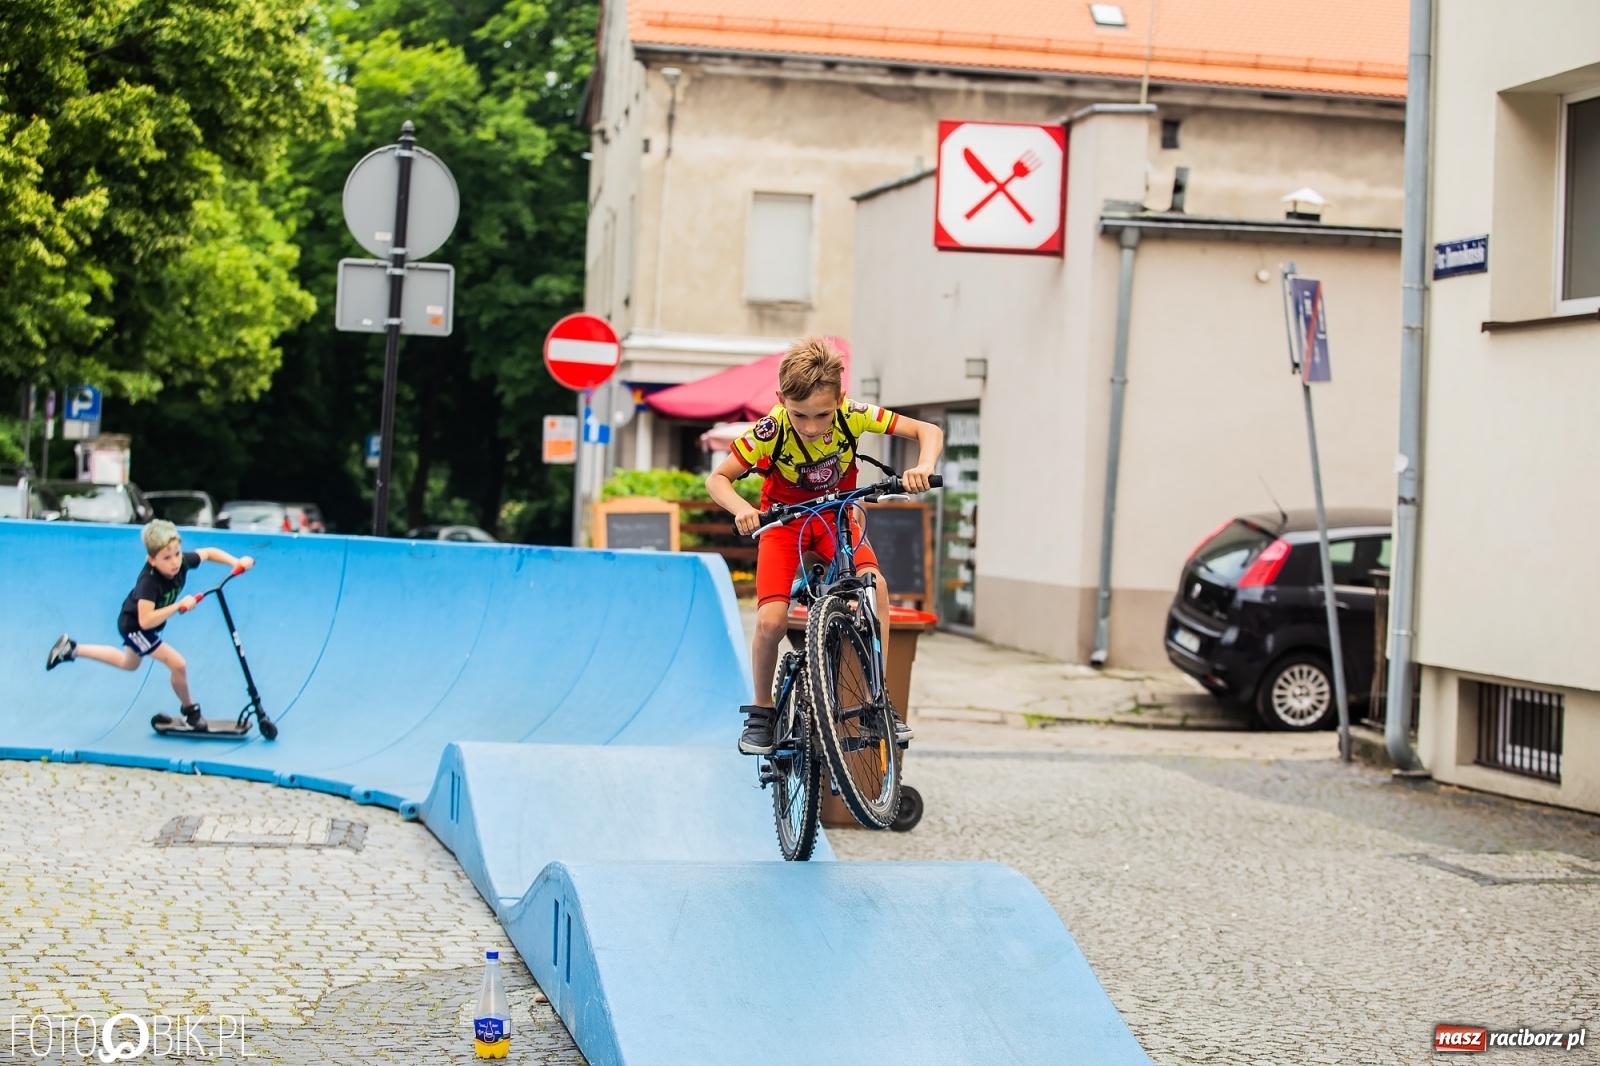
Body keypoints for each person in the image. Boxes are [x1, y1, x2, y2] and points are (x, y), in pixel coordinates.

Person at [706, 335, 943, 755]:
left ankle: (876, 700)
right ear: (781, 399)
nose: (812, 427)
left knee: (876, 589)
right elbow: (717, 479)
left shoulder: (853, 415)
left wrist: (922, 467)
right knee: (771, 622)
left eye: (822, 415)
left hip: (837, 521)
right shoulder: (771, 430)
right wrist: (742, 508)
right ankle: (761, 710)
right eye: (800, 415)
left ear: (841, 399)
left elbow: (927, 430)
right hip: (785, 526)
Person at [45, 519, 254, 731]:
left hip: (146, 625)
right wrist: (178, 606)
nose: (174, 562)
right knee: (178, 664)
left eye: (177, 554)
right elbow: (145, 620)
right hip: (136, 626)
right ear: (152, 560)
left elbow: (208, 553)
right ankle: (191, 712)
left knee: (129, 663)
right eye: (166, 558)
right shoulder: (149, 582)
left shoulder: (181, 563)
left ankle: (72, 649)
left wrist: (235, 561)